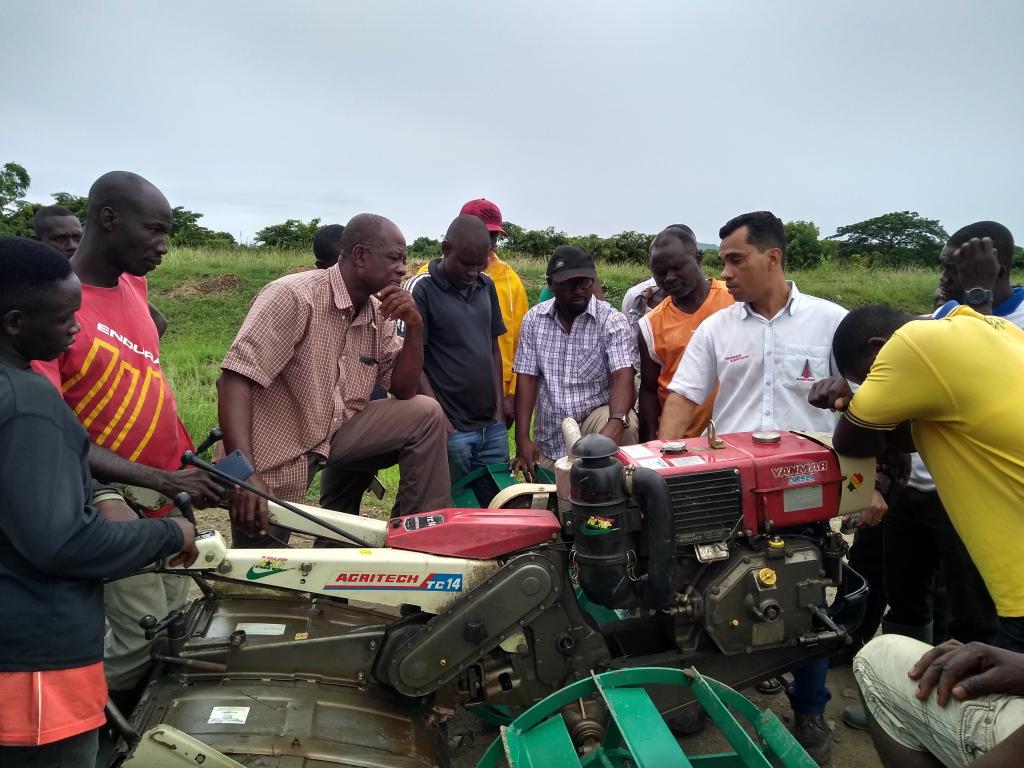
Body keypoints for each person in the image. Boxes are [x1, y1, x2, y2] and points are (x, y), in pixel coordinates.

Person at [813, 237, 1024, 766]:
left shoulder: (912, 346)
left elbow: (854, 444)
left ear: (880, 349)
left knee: (888, 668)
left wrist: (855, 404)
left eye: (870, 376)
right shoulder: (990, 325)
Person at [659, 211, 852, 764]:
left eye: (735, 260)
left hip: (810, 491)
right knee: (698, 593)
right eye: (722, 261)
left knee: (806, 597)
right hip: (729, 493)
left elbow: (865, 408)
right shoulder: (718, 328)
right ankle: (699, 694)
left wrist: (873, 483)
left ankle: (810, 709)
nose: (726, 273)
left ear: (773, 257)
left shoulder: (831, 323)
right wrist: (661, 469)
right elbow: (683, 398)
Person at [0, 236, 196, 768]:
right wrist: (169, 534)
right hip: (36, 670)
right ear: (16, 322)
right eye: (66, 318)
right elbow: (62, 543)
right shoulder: (29, 400)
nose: (76, 330)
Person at [30, 172, 224, 708]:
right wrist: (115, 490)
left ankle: (140, 724)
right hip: (114, 496)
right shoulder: (55, 312)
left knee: (179, 624)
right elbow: (52, 433)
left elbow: (143, 362)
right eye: (155, 231)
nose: (164, 246)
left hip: (167, 493)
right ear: (109, 219)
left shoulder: (132, 285)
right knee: (141, 639)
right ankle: (69, 725)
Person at [218, 213, 450, 545]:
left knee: (426, 414)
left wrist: (415, 329)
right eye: (394, 258)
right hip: (275, 451)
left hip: (333, 434)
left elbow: (403, 388)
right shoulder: (295, 296)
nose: (403, 268)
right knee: (263, 570)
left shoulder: (377, 310)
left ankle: (417, 542)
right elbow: (234, 380)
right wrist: (243, 475)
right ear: (359, 256)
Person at [512, 245, 637, 480]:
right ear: (551, 284)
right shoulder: (533, 320)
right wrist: (521, 438)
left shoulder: (612, 321)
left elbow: (623, 375)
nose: (579, 290)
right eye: (569, 284)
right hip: (551, 434)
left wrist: (616, 423)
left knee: (627, 424)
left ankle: (617, 490)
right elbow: (527, 378)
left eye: (585, 282)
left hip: (595, 421)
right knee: (555, 503)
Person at [406, 215, 507, 487]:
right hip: (452, 430)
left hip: (491, 428)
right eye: (466, 263)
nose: (473, 272)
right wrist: (443, 425)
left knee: (492, 506)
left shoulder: (486, 286)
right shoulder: (421, 289)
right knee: (441, 505)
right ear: (446, 249)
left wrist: (498, 415)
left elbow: (493, 350)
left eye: (481, 263)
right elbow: (411, 363)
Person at [415, 199, 528, 425]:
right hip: (446, 406)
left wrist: (511, 394)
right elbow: (414, 353)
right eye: (482, 232)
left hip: (494, 402)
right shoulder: (425, 281)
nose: (487, 242)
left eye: (493, 237)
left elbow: (518, 341)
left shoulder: (509, 280)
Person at [637, 225, 733, 441]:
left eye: (678, 267)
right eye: (660, 273)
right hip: (679, 442)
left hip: (733, 437)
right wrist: (650, 446)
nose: (669, 278)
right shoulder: (650, 325)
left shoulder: (734, 302)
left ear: (698, 259)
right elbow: (649, 390)